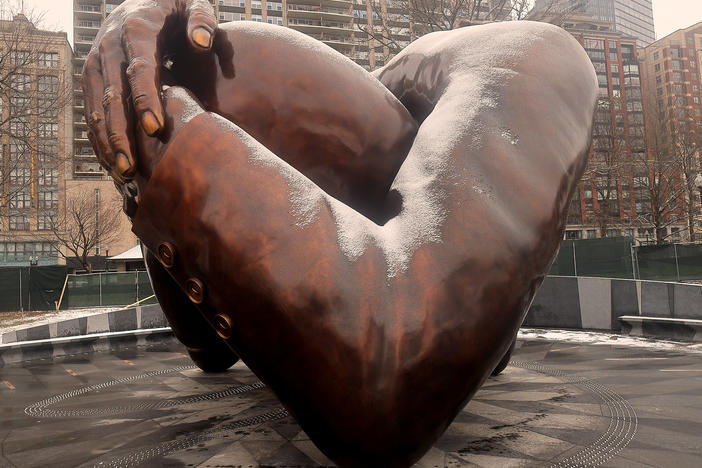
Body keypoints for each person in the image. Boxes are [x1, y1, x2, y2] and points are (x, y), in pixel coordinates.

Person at [82, 1, 598, 466]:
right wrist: (135, 104)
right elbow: (206, 347)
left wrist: (157, 134)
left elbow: (389, 382)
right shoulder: (379, 109)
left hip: (439, 264)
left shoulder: (534, 58)